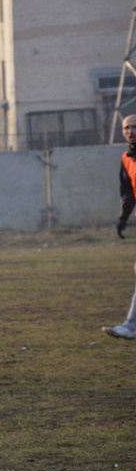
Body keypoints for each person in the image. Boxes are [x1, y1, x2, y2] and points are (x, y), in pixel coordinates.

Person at [103, 113, 136, 340]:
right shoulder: (127, 158)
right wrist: (123, 217)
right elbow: (128, 192)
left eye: (135, 126)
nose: (131, 131)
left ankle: (131, 326)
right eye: (126, 127)